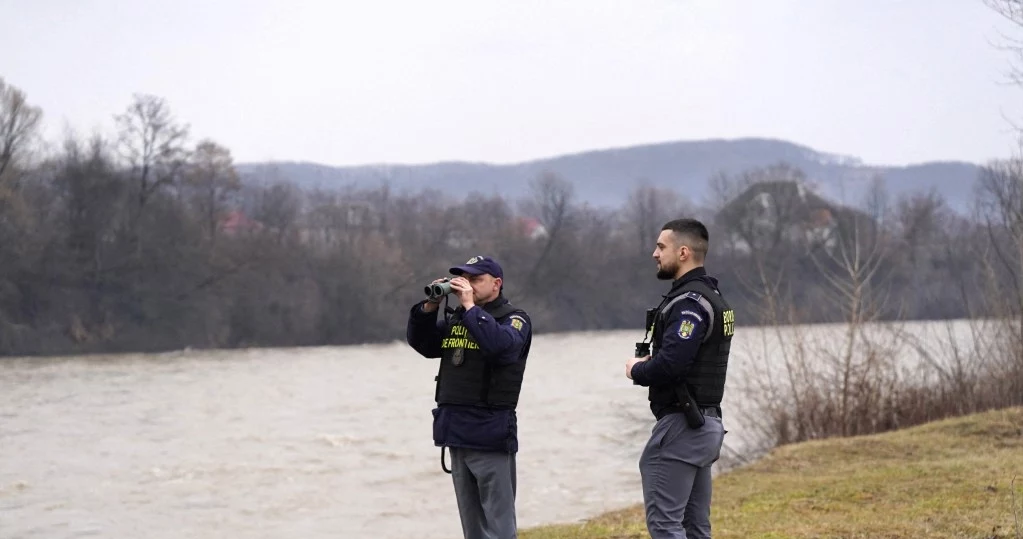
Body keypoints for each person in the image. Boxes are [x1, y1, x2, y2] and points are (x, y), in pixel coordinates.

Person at [406, 255, 533, 539]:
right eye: (464, 279)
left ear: (496, 284)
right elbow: (423, 343)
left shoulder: (514, 319)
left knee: (499, 528)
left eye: (476, 279)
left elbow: (502, 348)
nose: (469, 286)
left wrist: (469, 307)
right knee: (473, 530)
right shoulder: (460, 319)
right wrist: (430, 306)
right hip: (457, 433)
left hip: (489, 435)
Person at [625, 218, 735, 539]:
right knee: (695, 525)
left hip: (683, 426)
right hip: (705, 421)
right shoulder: (712, 296)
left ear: (683, 252)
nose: (654, 254)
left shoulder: (690, 304)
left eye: (661, 247)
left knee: (665, 524)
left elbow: (671, 365)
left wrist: (637, 369)